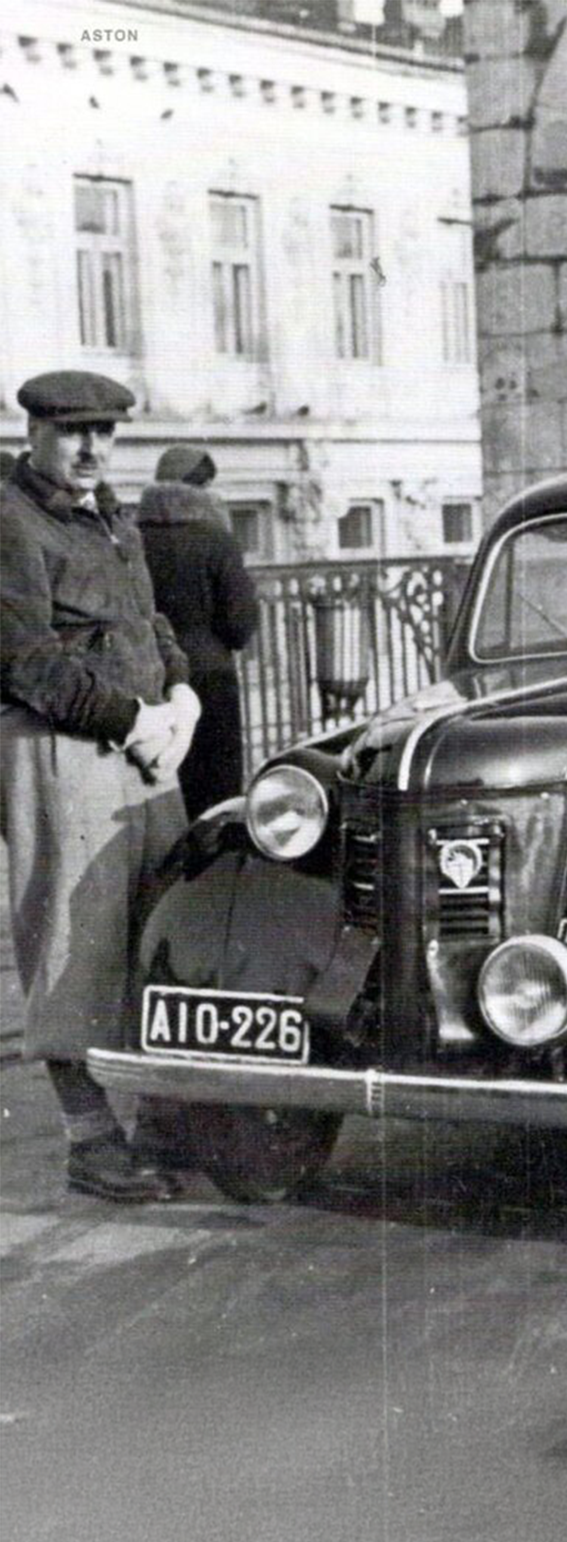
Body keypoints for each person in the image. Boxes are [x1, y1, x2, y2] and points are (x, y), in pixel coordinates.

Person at [0, 371, 200, 1202]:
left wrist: (180, 689)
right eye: (73, 432)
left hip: (142, 743)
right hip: (60, 745)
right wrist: (133, 718)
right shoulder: (10, 519)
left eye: (105, 433)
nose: (91, 449)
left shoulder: (111, 516)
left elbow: (148, 621)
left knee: (164, 923)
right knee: (72, 938)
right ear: (34, 434)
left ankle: (162, 1120)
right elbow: (26, 660)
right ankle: (90, 1138)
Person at [137, 444, 258, 819]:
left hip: (151, 678)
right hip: (211, 678)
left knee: (160, 786)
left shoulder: (132, 536)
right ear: (202, 488)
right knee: (217, 795)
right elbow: (239, 626)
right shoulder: (216, 538)